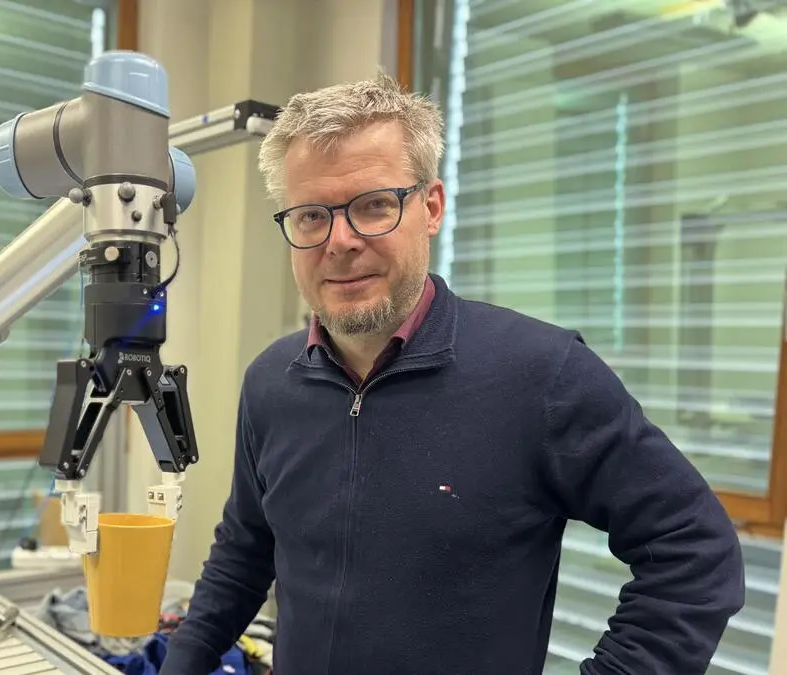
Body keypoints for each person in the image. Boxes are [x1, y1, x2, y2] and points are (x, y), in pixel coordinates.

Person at [159, 72, 746, 675]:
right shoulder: (270, 383)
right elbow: (244, 554)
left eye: (374, 205)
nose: (340, 241)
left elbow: (693, 551)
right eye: (311, 215)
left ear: (431, 207)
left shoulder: (541, 375)